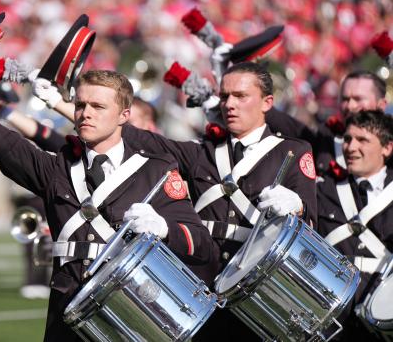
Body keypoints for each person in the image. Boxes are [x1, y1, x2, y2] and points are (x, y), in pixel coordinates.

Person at [0, 39, 216, 340]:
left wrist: (164, 228)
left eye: (98, 106)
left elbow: (203, 245)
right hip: (68, 315)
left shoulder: (155, 170)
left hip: (131, 312)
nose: (85, 113)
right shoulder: (58, 168)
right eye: (81, 105)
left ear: (124, 116)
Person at [116, 61, 317, 340]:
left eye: (240, 96)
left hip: (255, 287)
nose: (229, 104)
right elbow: (138, 139)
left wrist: (297, 205)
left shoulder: (292, 151)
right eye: (224, 96)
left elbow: (311, 224)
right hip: (200, 286)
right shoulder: (203, 152)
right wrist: (68, 105)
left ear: (267, 102)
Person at [316, 110, 393, 340]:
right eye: (348, 139)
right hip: (334, 323)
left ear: (387, 148)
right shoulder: (323, 189)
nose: (350, 147)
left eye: (362, 140)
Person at [265, 70, 388, 174]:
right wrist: (260, 104)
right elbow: (294, 129)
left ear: (381, 105)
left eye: (358, 98)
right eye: (345, 99)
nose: (350, 106)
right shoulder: (326, 139)